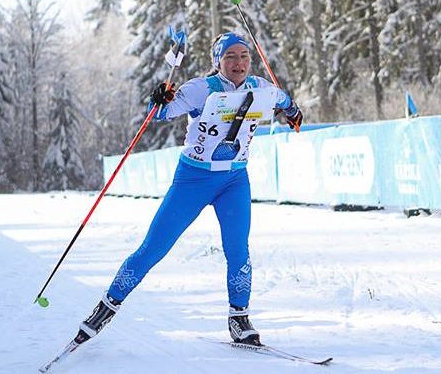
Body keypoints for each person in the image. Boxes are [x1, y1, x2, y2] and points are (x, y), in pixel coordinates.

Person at [74, 32, 303, 347]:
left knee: (238, 251)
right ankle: (107, 307)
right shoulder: (199, 89)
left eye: (244, 56)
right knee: (153, 248)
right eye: (230, 56)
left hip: (234, 179)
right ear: (217, 61)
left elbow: (284, 100)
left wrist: (293, 112)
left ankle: (240, 319)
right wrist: (160, 98)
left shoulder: (261, 88)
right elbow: (160, 114)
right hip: (193, 179)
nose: (239, 63)